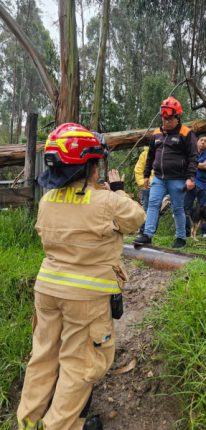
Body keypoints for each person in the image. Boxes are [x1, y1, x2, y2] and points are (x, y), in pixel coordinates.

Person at [17, 123, 145, 430]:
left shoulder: (47, 201)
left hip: (47, 290)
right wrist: (118, 190)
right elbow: (136, 218)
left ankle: (28, 423)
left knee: (42, 358)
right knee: (78, 365)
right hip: (85, 300)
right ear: (89, 165)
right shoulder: (107, 202)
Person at [133, 96, 198, 248]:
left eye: (169, 119)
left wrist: (190, 177)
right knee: (153, 205)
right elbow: (150, 156)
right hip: (159, 178)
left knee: (177, 208)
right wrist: (146, 175)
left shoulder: (186, 133)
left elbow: (193, 157)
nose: (166, 122)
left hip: (178, 179)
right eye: (164, 119)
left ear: (177, 117)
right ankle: (147, 235)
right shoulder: (156, 133)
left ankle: (181, 238)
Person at [184, 134, 206, 237]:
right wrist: (200, 164)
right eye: (201, 140)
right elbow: (185, 163)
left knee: (205, 209)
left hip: (202, 186)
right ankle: (186, 232)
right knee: (186, 208)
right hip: (190, 184)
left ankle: (205, 233)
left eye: (205, 141)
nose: (203, 142)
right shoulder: (191, 152)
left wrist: (193, 163)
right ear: (197, 141)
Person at [134, 146, 154, 234]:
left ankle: (151, 231)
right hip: (147, 186)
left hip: (160, 185)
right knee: (145, 209)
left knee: (156, 209)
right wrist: (142, 183)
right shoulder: (145, 154)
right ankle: (143, 231)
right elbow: (138, 170)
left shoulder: (165, 152)